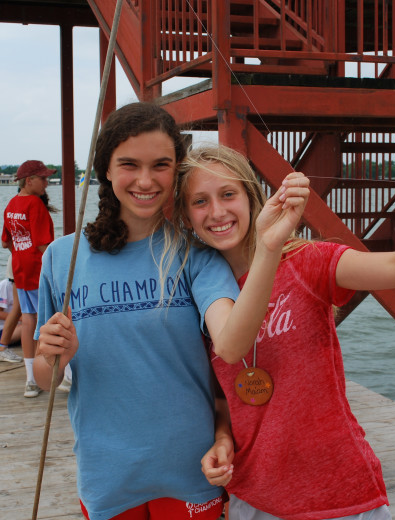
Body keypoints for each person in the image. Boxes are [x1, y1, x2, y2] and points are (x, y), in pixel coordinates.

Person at [34, 102, 309, 520]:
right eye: (129, 164)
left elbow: (231, 342)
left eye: (160, 165)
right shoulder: (61, 258)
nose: (145, 180)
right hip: (107, 476)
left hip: (192, 471)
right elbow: (45, 376)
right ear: (106, 169)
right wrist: (50, 356)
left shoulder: (197, 255)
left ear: (175, 170)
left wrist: (270, 246)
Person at [174, 145, 395, 520]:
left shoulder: (308, 262)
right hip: (255, 495)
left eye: (228, 194)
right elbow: (220, 397)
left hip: (342, 493)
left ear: (252, 198)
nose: (216, 212)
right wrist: (221, 438)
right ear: (185, 215)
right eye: (200, 201)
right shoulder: (199, 293)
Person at [1, 159, 55, 398]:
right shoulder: (34, 204)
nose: (47, 182)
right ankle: (64, 375)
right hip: (38, 270)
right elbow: (44, 245)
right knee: (53, 319)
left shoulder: (12, 204)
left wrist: (20, 253)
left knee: (28, 319)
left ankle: (31, 379)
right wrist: (60, 265)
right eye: (43, 178)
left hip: (19, 269)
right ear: (29, 180)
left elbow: (5, 242)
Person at [0, 256, 23, 363]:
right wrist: (21, 318)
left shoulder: (21, 287)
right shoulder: (5, 286)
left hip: (12, 329)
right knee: (29, 324)